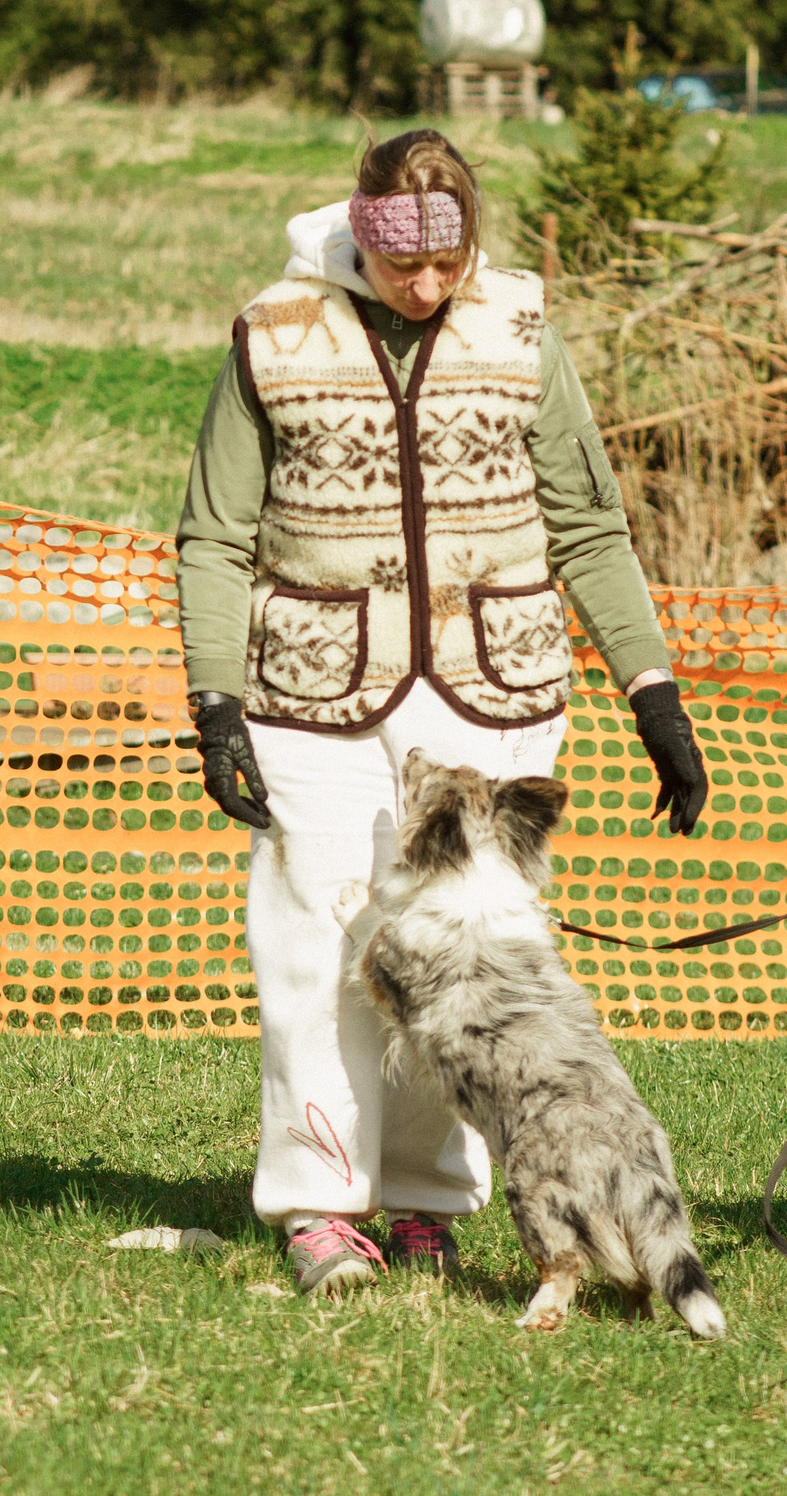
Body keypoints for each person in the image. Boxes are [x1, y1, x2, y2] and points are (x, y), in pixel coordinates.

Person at [174, 130, 709, 1299]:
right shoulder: (274, 335)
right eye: (403, 268)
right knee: (314, 954)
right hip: (311, 697)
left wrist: (651, 690)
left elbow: (589, 525)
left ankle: (424, 1205)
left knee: (467, 973)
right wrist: (216, 701)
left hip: (495, 690)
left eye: (446, 266)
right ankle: (320, 1206)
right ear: (360, 236)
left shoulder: (518, 332)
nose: (426, 289)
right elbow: (214, 535)